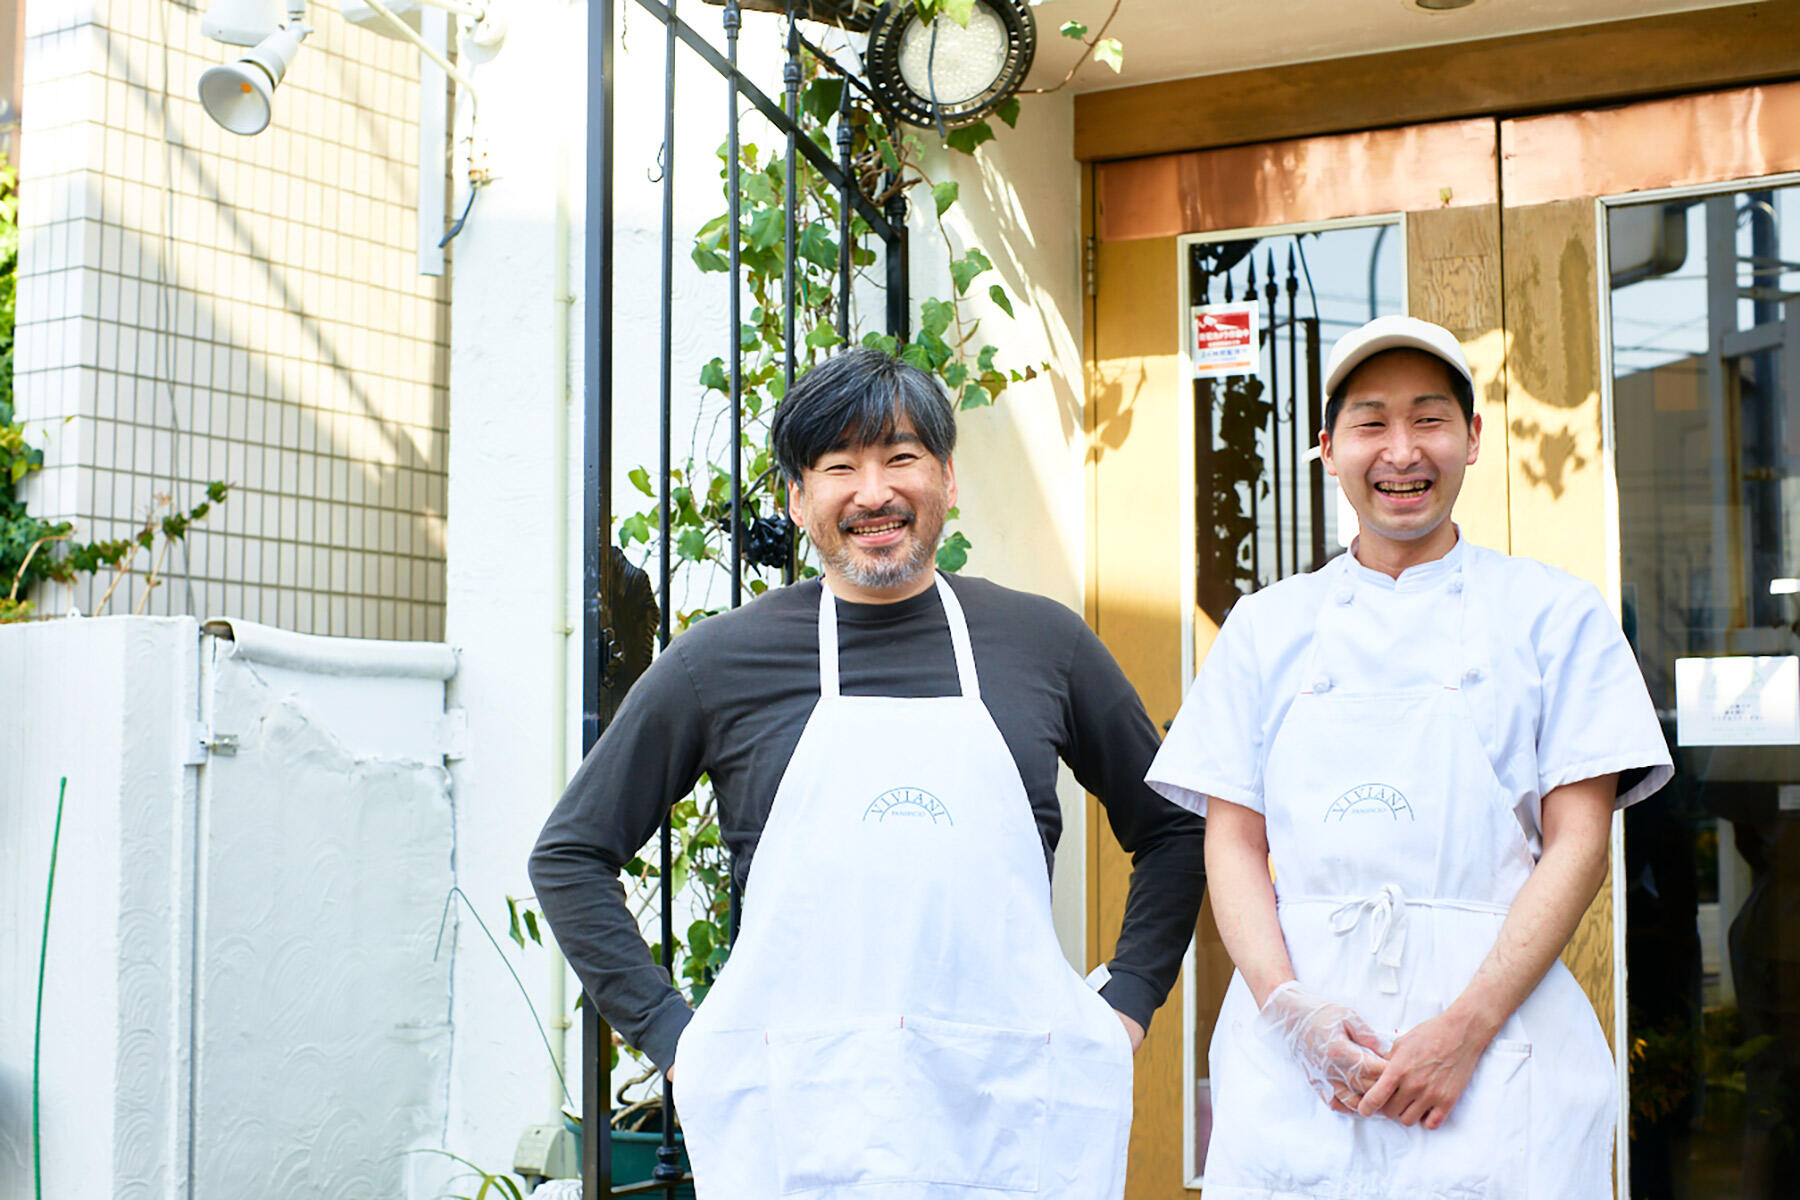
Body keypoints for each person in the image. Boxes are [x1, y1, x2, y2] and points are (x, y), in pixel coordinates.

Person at [530, 347, 1206, 1199]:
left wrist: (1129, 999)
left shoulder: (1045, 644)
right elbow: (571, 854)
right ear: (797, 498)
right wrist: (673, 1034)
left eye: (900, 456)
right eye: (839, 466)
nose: (873, 492)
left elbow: (1175, 827)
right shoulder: (720, 662)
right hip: (802, 1121)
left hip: (1008, 1116)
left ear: (947, 479)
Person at [1147, 315, 1673, 1199]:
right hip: (1299, 1062)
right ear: (1328, 450)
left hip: (1500, 1050)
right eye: (1371, 423)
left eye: (1429, 419)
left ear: (1473, 438)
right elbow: (1232, 841)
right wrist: (1291, 1012)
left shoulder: (1555, 615)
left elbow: (1580, 844)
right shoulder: (1266, 627)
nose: (1401, 451)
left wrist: (1466, 1029)